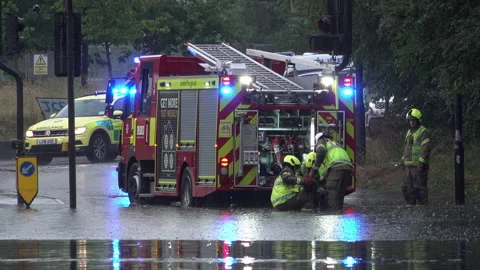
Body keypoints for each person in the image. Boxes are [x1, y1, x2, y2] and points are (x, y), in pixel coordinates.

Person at [311, 132, 354, 211]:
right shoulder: (336, 144)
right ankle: (339, 216)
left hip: (337, 168)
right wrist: (322, 180)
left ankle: (333, 217)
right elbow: (327, 171)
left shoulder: (321, 141)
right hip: (347, 170)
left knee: (331, 196)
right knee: (339, 197)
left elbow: (320, 153)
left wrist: (312, 172)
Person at [401, 108, 432, 206]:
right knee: (407, 187)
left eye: (413, 120)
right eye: (410, 120)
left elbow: (426, 148)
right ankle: (410, 206)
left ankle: (422, 209)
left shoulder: (423, 132)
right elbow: (406, 148)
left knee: (419, 188)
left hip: (418, 166)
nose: (412, 122)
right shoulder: (409, 132)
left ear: (418, 121)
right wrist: (403, 161)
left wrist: (421, 163)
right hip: (408, 166)